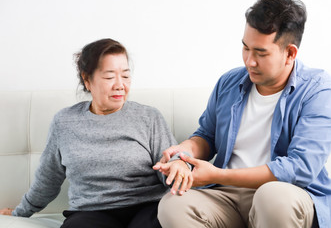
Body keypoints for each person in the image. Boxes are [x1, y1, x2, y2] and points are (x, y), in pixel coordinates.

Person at [153, 0, 331, 228]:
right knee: (173, 205)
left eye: (261, 53)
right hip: (225, 196)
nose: (249, 61)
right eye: (246, 48)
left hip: (286, 195)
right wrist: (183, 156)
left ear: (290, 53)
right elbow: (206, 136)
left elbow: (300, 168)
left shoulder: (320, 91)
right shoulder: (229, 83)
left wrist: (217, 175)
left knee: (273, 197)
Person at [0, 38, 191, 228]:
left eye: (125, 76)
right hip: (91, 212)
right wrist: (19, 212)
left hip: (147, 207)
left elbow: (171, 162)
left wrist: (178, 166)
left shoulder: (148, 117)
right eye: (109, 77)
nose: (119, 85)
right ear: (87, 79)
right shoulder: (64, 122)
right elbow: (47, 180)